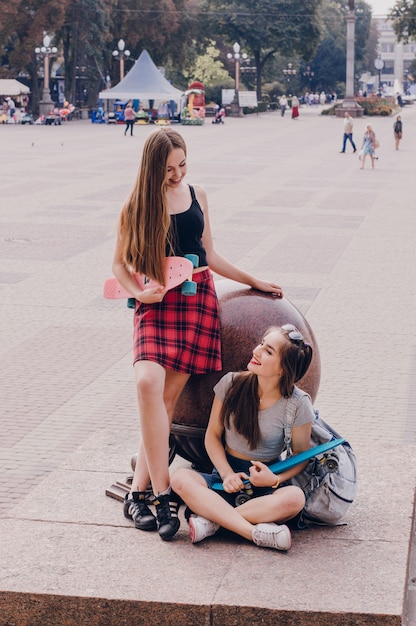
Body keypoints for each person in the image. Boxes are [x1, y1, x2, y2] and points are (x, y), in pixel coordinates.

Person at [112, 128, 283, 541]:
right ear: (153, 168)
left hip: (197, 302)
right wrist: (140, 294)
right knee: (148, 383)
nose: (177, 174)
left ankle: (138, 495)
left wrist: (254, 279)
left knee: (167, 402)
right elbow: (118, 264)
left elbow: (211, 255)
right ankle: (164, 492)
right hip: (156, 304)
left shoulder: (198, 194)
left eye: (182, 164)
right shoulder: (136, 205)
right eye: (169, 169)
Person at [171, 324, 315, 551]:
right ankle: (254, 532)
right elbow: (212, 436)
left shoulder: (298, 403)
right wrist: (227, 474)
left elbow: (301, 456)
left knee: (295, 498)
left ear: (282, 370)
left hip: (265, 483)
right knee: (180, 479)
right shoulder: (231, 384)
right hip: (224, 479)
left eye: (268, 351)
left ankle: (213, 521)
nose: (257, 351)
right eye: (261, 344)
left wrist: (274, 480)